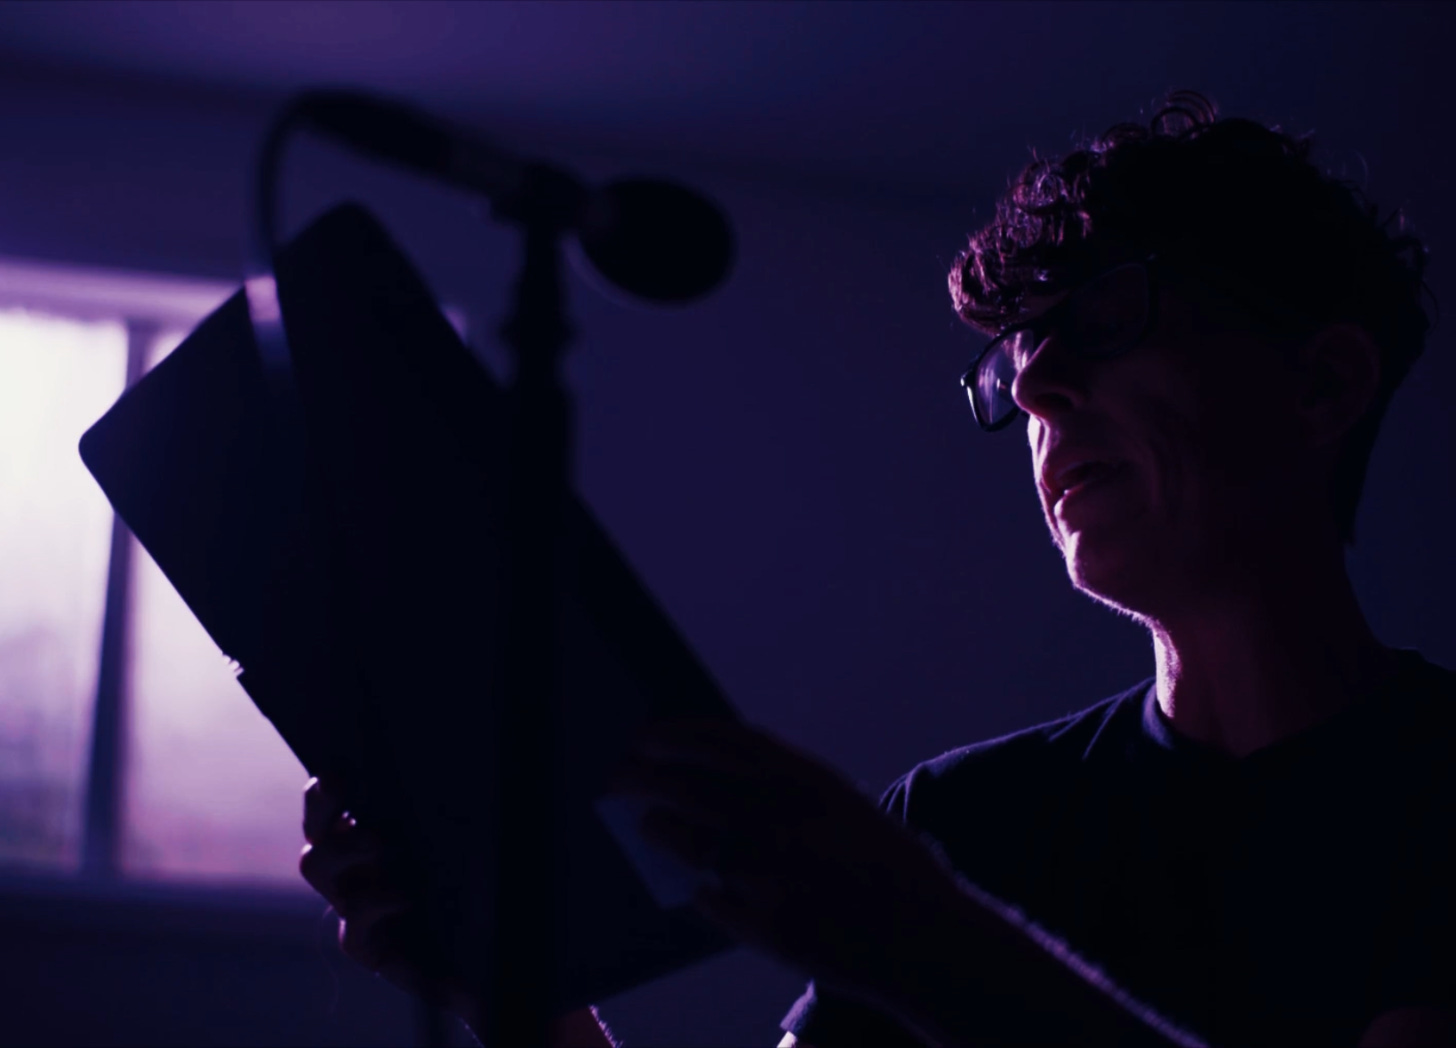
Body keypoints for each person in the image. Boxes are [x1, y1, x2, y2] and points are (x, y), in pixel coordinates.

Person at [299, 91, 1455, 1046]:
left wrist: (928, 942)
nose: (1041, 392)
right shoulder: (963, 819)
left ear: (1323, 386)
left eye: (1105, 315)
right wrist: (522, 996)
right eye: (1018, 359)